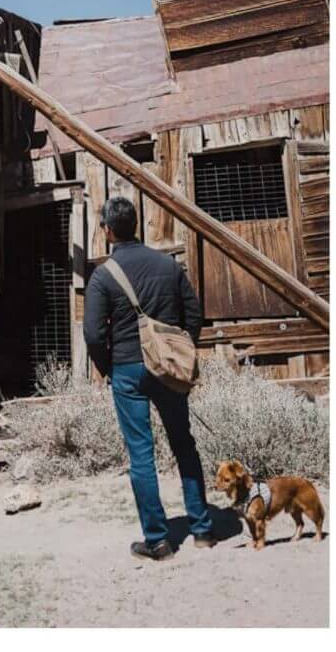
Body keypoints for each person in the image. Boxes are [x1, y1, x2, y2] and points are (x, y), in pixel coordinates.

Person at [81, 195, 216, 560]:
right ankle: (202, 529)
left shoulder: (103, 276)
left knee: (141, 454)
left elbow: (93, 333)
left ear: (108, 231)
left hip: (127, 369)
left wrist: (109, 366)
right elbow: (194, 316)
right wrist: (181, 354)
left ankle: (157, 541)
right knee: (183, 444)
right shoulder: (168, 266)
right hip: (168, 368)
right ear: (135, 225)